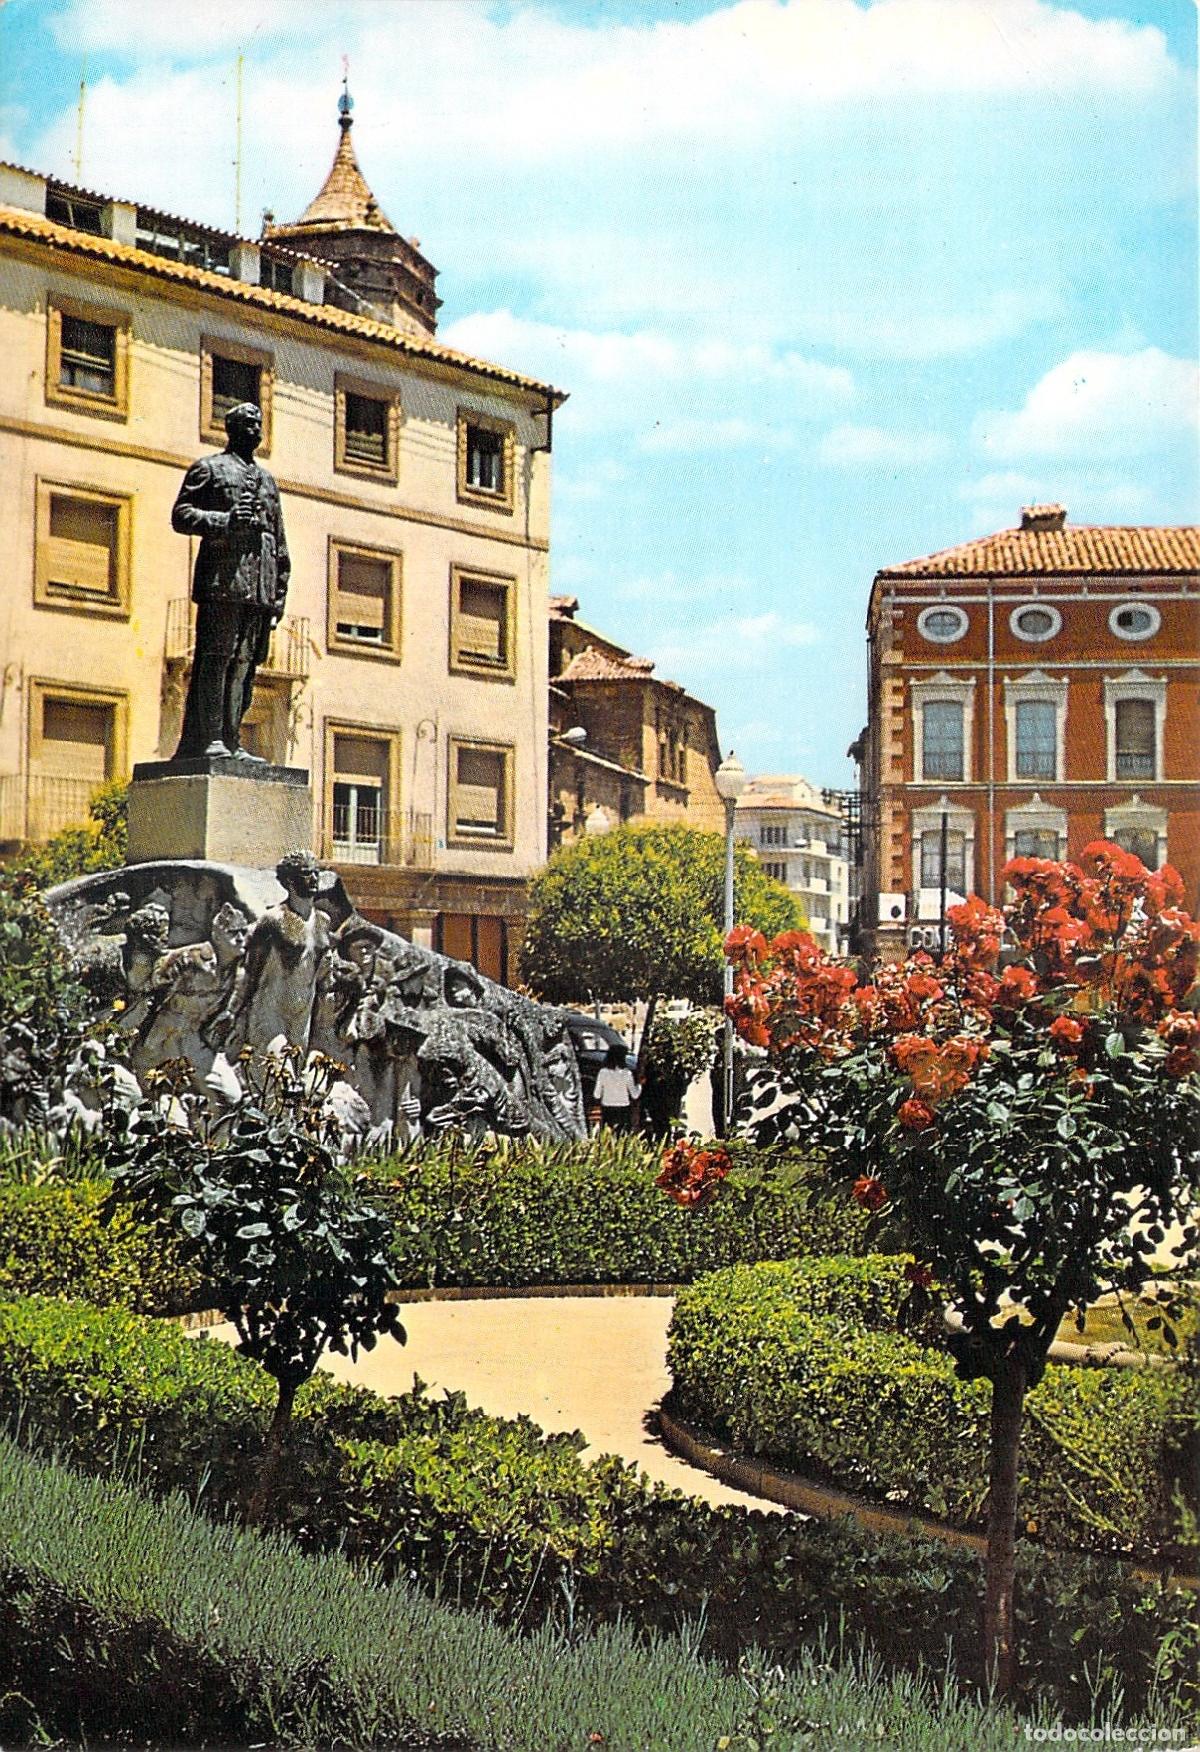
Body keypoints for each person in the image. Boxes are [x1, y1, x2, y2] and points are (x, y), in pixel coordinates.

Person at [171, 400, 290, 760]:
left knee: (245, 664)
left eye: (259, 424)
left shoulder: (268, 481)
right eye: (250, 424)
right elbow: (181, 515)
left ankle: (233, 740)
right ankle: (210, 739)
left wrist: (279, 593)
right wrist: (225, 521)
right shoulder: (209, 469)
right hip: (223, 583)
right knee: (217, 660)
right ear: (233, 429)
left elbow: (279, 539)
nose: (256, 430)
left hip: (259, 590)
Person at [593, 1042, 641, 1132]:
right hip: (623, 1109)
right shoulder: (627, 1073)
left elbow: (597, 1094)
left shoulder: (602, 1072)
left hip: (607, 1109)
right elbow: (635, 1095)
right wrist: (640, 1085)